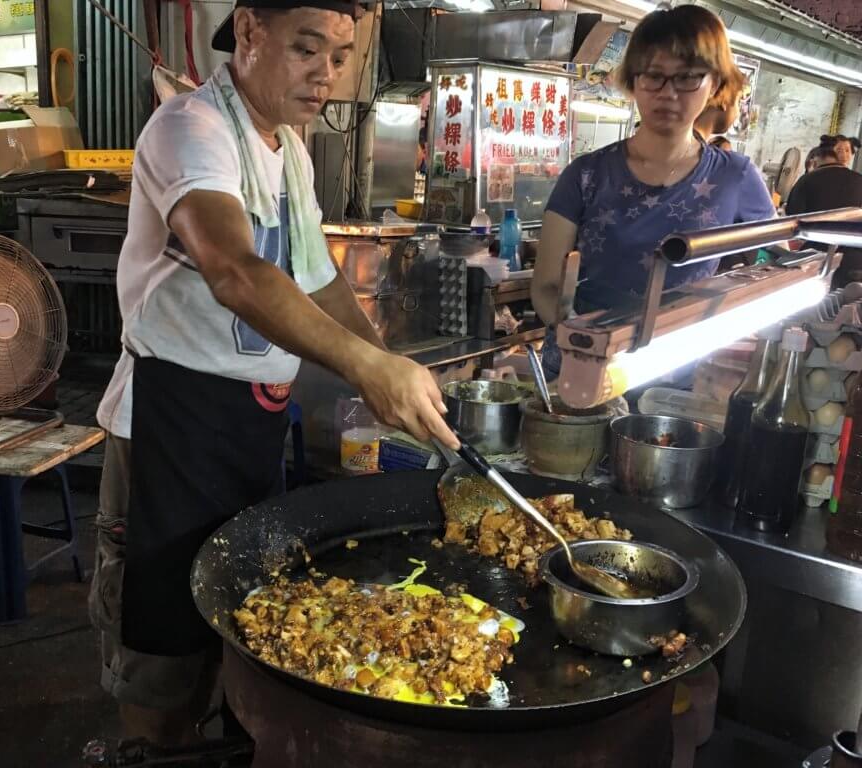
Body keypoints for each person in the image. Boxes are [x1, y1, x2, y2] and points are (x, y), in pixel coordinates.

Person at [90, 0, 459, 749]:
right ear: (251, 32)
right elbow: (235, 269)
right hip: (169, 428)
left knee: (240, 622)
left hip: (248, 426)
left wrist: (383, 364)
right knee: (163, 652)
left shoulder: (286, 146)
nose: (326, 74)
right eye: (306, 48)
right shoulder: (192, 129)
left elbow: (317, 278)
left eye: (341, 54)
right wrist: (362, 365)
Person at [532, 5, 774, 379]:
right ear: (633, 80)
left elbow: (778, 269)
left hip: (680, 370)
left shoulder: (735, 177)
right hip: (581, 366)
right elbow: (546, 285)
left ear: (716, 84)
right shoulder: (585, 175)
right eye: (654, 77)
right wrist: (583, 336)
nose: (668, 94)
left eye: (688, 78)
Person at [785, 144, 862, 286]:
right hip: (857, 260)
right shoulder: (859, 179)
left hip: (818, 260)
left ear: (813, 162)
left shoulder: (807, 180)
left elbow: (791, 222)